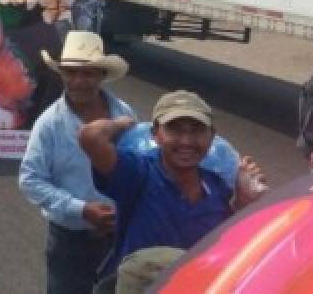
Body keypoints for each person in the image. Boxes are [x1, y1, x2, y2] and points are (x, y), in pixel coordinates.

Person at [79, 90, 266, 277]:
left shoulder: (216, 185)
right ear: (155, 134)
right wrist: (121, 123)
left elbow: (226, 240)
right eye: (175, 129)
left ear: (211, 136)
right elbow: (91, 136)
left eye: (197, 130)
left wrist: (243, 203)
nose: (186, 141)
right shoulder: (138, 173)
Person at [20, 31, 134, 294]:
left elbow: (135, 167)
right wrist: (81, 209)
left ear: (101, 76)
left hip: (119, 236)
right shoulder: (49, 124)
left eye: (88, 73)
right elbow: (30, 180)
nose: (79, 81)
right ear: (61, 75)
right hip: (70, 240)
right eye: (71, 73)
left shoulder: (124, 114)